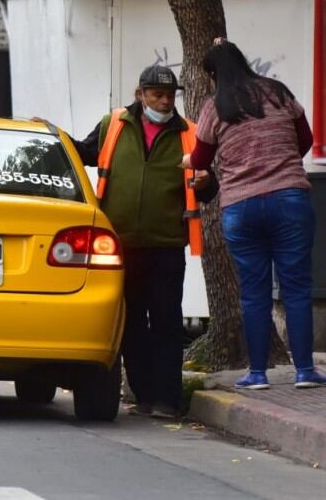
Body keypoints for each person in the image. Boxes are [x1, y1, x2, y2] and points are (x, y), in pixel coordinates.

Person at [68, 64, 216, 419]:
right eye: (157, 95)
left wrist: (206, 184)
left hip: (165, 245)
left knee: (166, 322)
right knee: (130, 322)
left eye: (169, 96)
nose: (165, 102)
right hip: (120, 247)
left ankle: (167, 399)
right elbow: (83, 153)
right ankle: (142, 394)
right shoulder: (113, 126)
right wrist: (52, 134)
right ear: (141, 95)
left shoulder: (190, 135)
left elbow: (210, 188)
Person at [182, 39, 326, 390]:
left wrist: (200, 161)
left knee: (253, 293)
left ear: (214, 74)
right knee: (296, 288)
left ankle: (258, 374)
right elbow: (305, 138)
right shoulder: (278, 93)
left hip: (241, 207)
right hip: (289, 199)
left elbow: (201, 160)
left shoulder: (214, 106)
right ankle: (305, 371)